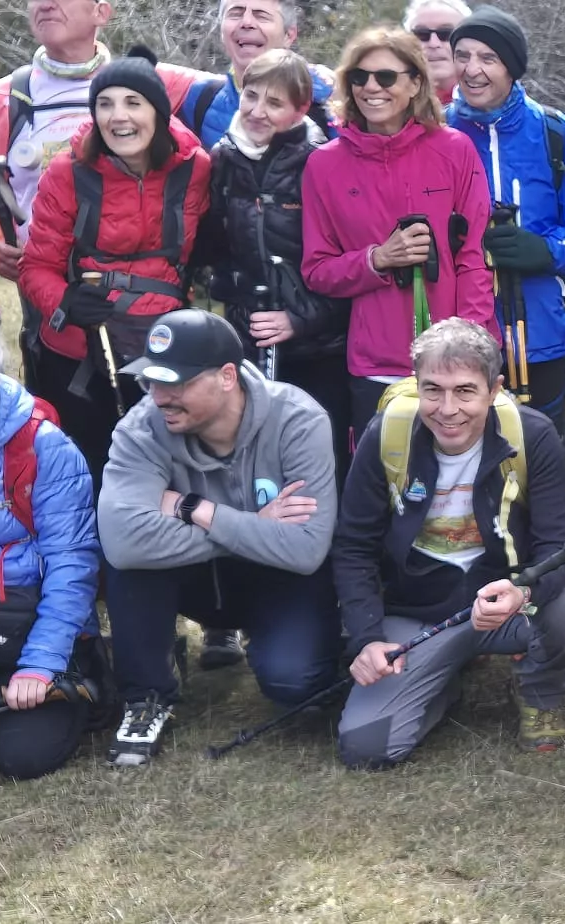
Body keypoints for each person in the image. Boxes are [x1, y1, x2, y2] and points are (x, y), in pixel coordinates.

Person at [335, 318, 565, 766]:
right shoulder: (386, 435)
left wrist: (522, 590)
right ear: (416, 386)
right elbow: (353, 545)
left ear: (494, 390)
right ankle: (443, 675)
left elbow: (561, 547)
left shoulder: (531, 434)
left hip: (506, 602)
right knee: (368, 750)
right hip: (416, 612)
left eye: (465, 391)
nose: (447, 409)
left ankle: (538, 689)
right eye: (432, 390)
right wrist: (366, 639)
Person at [95, 309, 341, 766]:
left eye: (176, 383)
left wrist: (198, 510)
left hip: (278, 574)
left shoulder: (299, 420)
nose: (159, 396)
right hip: (194, 574)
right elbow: (122, 538)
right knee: (129, 562)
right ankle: (145, 695)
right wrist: (253, 521)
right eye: (151, 380)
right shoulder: (139, 428)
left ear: (228, 376)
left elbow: (307, 549)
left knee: (297, 683)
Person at [194, 49, 352, 672]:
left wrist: (299, 317)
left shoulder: (325, 162)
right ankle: (235, 612)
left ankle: (324, 609)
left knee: (315, 475)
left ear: (300, 109)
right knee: (240, 473)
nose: (259, 112)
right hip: (248, 348)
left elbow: (348, 268)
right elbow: (205, 250)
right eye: (250, 96)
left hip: (317, 349)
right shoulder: (224, 160)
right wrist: (230, 284)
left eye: (275, 102)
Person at [447, 7, 565, 540]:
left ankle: (553, 566)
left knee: (538, 444)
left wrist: (546, 249)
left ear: (513, 68)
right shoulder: (434, 133)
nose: (473, 70)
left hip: (537, 328)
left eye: (488, 58)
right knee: (462, 446)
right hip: (460, 326)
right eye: (462, 56)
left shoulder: (557, 135)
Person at [17, 48, 212, 483]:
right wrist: (65, 300)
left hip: (164, 347)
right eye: (104, 103)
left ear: (158, 112)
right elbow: (36, 267)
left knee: (166, 472)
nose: (117, 117)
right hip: (82, 349)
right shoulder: (69, 171)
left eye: (132, 103)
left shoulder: (195, 169)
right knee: (89, 469)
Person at [301, 28, 495, 439]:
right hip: (375, 363)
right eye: (359, 77)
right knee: (383, 489)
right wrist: (377, 259)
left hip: (453, 364)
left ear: (415, 83)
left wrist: (471, 345)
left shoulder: (455, 150)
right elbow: (317, 270)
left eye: (386, 77)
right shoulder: (324, 166)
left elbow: (474, 255)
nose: (371, 87)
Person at [0, 0, 208, 287]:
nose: (45, 4)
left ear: (101, 12)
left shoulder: (158, 82)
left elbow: (248, 89)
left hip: (143, 289)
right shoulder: (2, 98)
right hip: (43, 282)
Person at [0, 335, 102, 781]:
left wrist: (40, 664)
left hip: (31, 628)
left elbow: (72, 565)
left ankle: (79, 676)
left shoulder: (45, 446)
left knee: (22, 757)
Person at [176, 0, 335, 144]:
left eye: (261, 16)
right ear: (221, 30)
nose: (246, 22)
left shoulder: (330, 104)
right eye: (236, 13)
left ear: (289, 35)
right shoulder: (200, 99)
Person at [403, 0, 471, 105]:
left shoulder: (495, 101)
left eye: (446, 34)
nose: (434, 44)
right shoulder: (391, 104)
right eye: (422, 34)